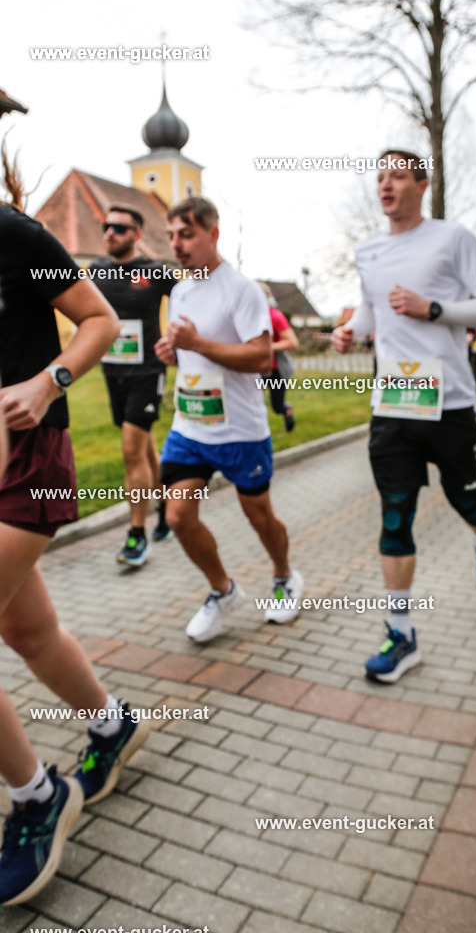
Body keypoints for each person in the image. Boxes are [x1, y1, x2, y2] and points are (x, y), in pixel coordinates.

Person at [0, 198, 149, 906]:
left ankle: (37, 797)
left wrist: (46, 381)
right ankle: (112, 725)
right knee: (27, 630)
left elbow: (100, 320)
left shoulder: (13, 233)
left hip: (29, 464)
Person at [331, 150, 476, 683]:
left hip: (449, 402)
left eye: (398, 176)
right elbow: (372, 309)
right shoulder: (368, 250)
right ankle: (401, 633)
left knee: (467, 502)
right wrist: (351, 331)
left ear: (422, 185)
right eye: (380, 176)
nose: (385, 185)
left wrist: (435, 309)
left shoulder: (453, 239)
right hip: (393, 405)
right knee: (394, 514)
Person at [155, 197, 303, 641]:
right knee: (179, 516)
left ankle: (284, 576)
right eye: (172, 236)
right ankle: (222, 589)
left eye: (187, 234)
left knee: (259, 517)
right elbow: (190, 349)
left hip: (240, 430)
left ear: (212, 233)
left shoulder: (242, 290)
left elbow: (261, 357)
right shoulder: (180, 290)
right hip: (190, 425)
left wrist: (196, 344)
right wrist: (173, 351)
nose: (177, 245)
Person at [91, 205, 177, 567]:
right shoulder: (95, 272)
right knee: (142, 445)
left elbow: (191, 301)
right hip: (113, 371)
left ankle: (136, 535)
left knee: (130, 449)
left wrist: (176, 338)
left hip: (147, 371)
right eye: (106, 227)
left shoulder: (155, 272)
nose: (110, 233)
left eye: (120, 228)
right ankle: (164, 505)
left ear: (136, 235)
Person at [258, 282, 299, 431]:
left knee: (277, 406)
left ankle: (286, 410)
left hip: (277, 371)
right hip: (258, 370)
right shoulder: (247, 316)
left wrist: (267, 348)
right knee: (255, 404)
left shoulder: (275, 316)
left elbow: (293, 342)